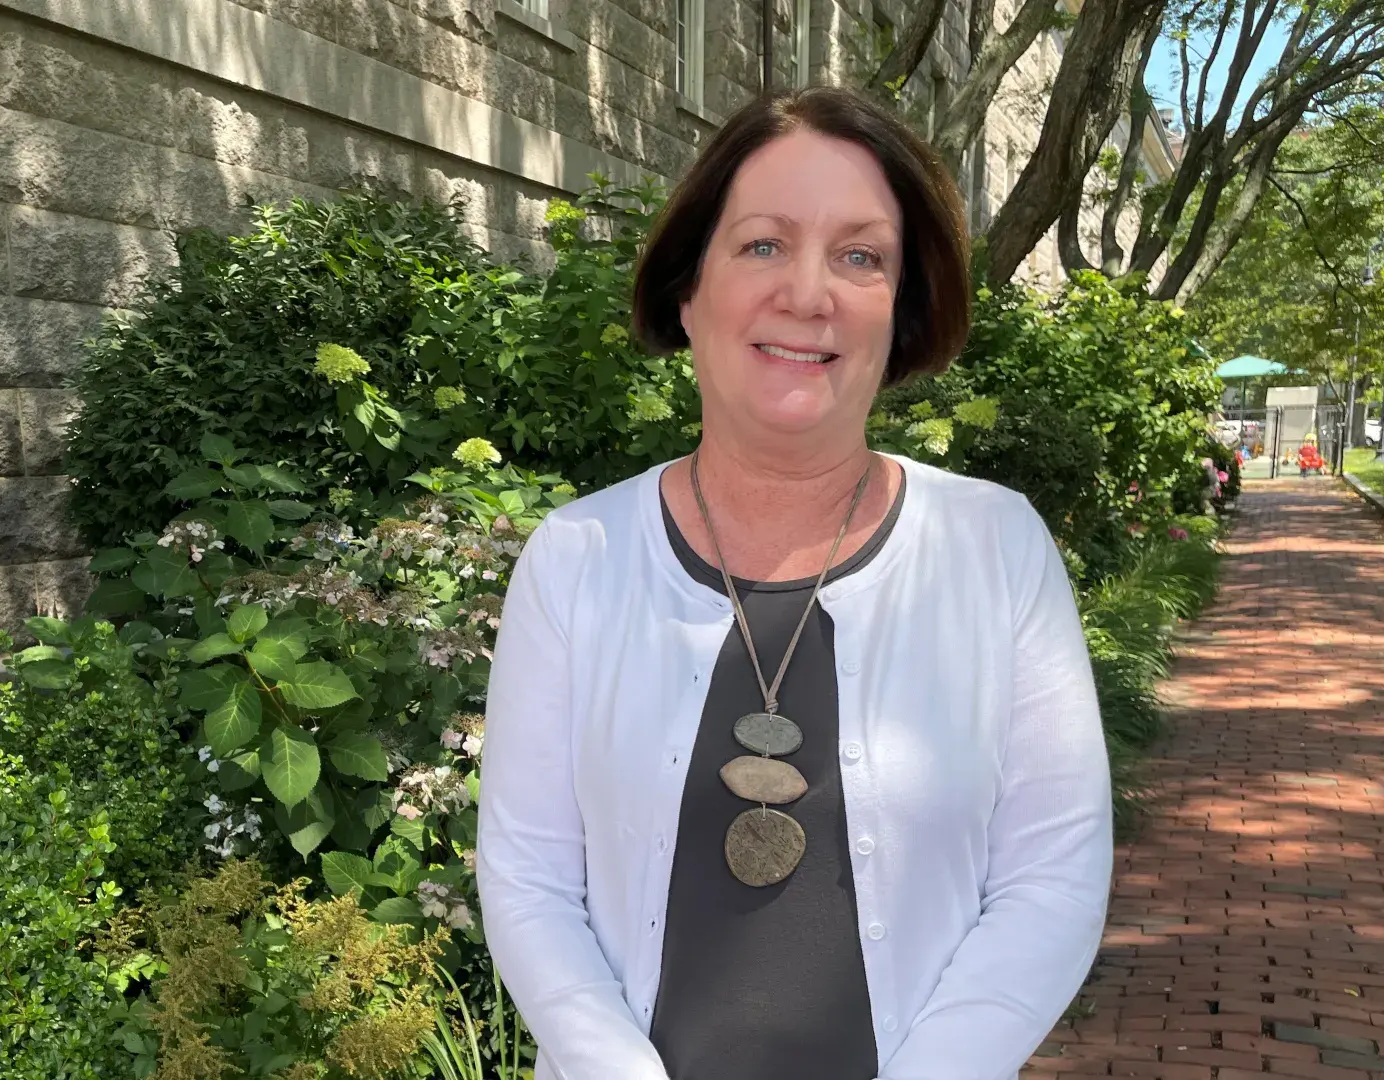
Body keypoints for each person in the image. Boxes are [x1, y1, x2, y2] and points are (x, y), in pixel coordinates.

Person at [475, 86, 1111, 1080]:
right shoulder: (576, 560)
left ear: (900, 311)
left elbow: (1051, 879)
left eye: (861, 256)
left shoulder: (996, 551)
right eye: (764, 244)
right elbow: (527, 880)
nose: (809, 293)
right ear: (689, 291)